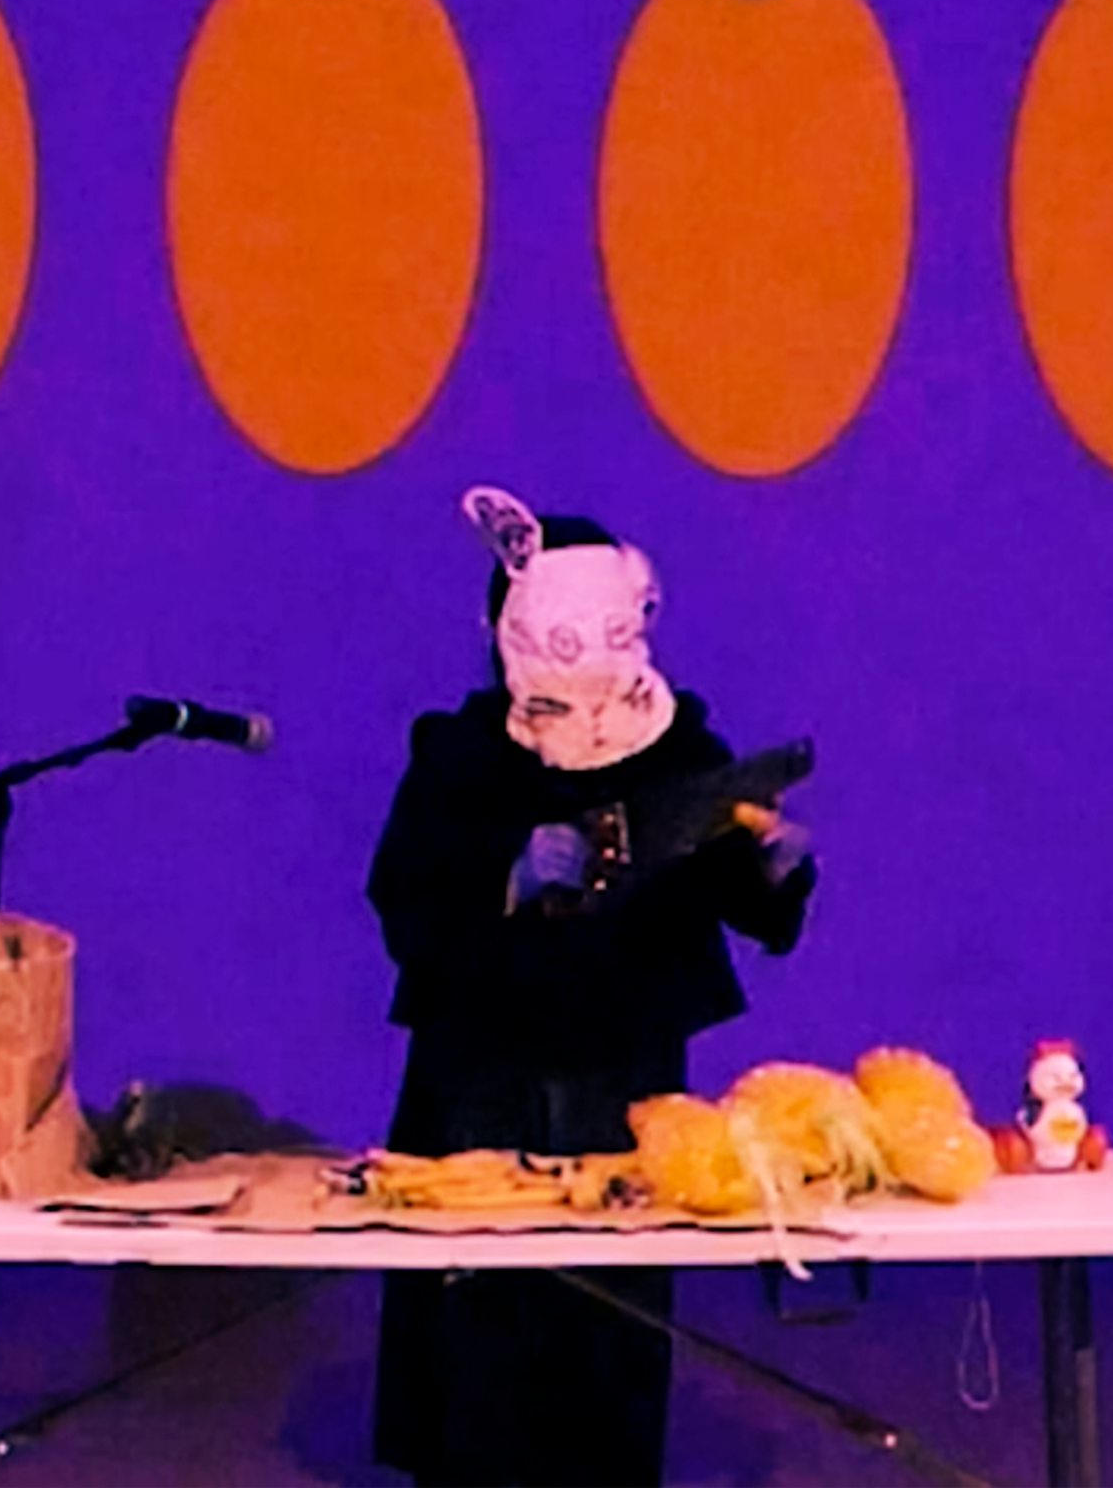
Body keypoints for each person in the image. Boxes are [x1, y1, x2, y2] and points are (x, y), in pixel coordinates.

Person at [367, 485, 820, 1487]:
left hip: (626, 1059)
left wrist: (776, 861)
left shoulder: (681, 746)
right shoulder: (460, 752)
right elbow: (403, 892)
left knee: (608, 1314)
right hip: (484, 1063)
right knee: (480, 1310)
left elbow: (738, 886)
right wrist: (509, 869)